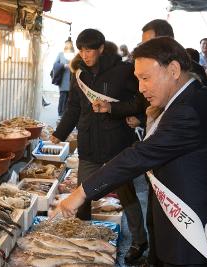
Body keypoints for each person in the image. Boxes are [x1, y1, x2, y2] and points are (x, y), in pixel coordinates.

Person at [52, 37, 207, 267]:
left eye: (145, 78)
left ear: (173, 70)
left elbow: (140, 155)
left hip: (195, 240)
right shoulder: (191, 99)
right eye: (138, 79)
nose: (141, 88)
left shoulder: (189, 110)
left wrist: (81, 193)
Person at [50, 29, 148, 263]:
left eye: (90, 49)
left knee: (127, 196)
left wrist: (115, 109)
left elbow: (140, 100)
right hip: (89, 144)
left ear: (101, 48)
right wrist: (59, 133)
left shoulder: (123, 70)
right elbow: (73, 107)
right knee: (82, 193)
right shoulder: (79, 74)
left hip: (117, 144)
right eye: (81, 50)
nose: (85, 54)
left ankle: (139, 240)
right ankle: (83, 240)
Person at [53, 38, 75, 116]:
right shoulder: (61, 54)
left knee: (70, 98)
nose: (69, 46)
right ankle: (60, 113)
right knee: (63, 96)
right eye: (67, 45)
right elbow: (55, 64)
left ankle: (67, 114)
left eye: (70, 45)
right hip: (63, 79)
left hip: (72, 79)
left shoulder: (75, 54)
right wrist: (64, 65)